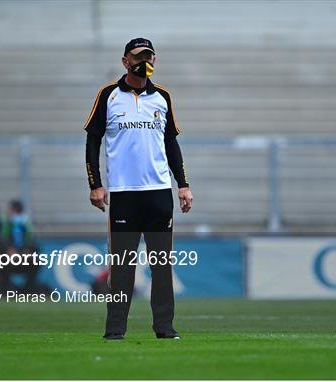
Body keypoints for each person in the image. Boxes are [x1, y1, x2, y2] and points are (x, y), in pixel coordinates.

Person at [84, 38, 193, 340]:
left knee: (161, 266)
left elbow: (171, 143)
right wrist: (95, 184)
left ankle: (165, 328)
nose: (143, 62)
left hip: (159, 193)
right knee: (121, 269)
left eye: (148, 57)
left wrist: (182, 185)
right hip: (123, 195)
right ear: (125, 61)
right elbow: (93, 140)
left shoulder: (162, 98)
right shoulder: (108, 96)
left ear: (154, 62)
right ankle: (115, 331)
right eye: (137, 57)